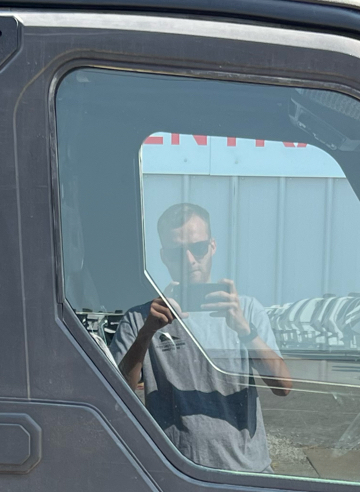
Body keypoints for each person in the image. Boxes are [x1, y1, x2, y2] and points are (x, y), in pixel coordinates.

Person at [111, 202, 293, 473]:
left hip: (247, 472)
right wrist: (146, 334)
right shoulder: (141, 319)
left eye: (197, 248)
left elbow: (283, 385)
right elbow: (116, 394)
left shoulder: (246, 310)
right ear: (163, 257)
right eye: (176, 252)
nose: (189, 261)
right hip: (176, 475)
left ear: (212, 246)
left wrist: (244, 329)